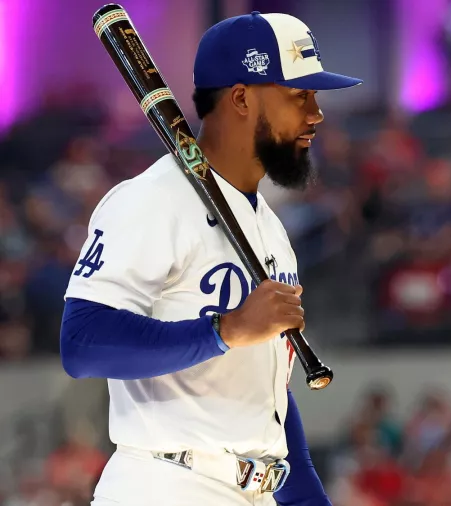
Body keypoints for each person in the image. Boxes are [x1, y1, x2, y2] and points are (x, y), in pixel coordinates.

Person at [60, 11, 362, 506]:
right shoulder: (151, 200)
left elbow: (266, 400)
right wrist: (226, 331)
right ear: (242, 98)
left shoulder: (268, 224)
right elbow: (82, 343)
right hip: (167, 484)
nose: (316, 113)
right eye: (298, 95)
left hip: (257, 489)